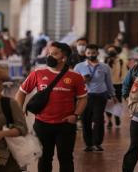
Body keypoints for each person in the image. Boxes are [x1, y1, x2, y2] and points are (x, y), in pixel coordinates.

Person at [16, 42, 87, 172]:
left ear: (64, 58)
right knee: (44, 158)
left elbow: (83, 98)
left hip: (65, 125)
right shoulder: (37, 73)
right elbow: (21, 92)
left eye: (54, 54)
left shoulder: (75, 76)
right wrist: (18, 112)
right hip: (42, 124)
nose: (49, 56)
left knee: (65, 158)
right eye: (49, 53)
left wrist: (76, 115)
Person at [74, 44, 117, 152]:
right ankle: (88, 144)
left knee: (98, 120)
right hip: (85, 97)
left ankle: (97, 143)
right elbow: (74, 83)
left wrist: (113, 95)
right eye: (89, 53)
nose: (91, 55)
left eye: (93, 53)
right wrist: (83, 80)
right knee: (86, 120)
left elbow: (109, 82)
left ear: (97, 53)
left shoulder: (104, 67)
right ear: (85, 53)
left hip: (100, 96)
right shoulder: (79, 67)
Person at [104, 45, 128, 128]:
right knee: (108, 102)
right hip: (107, 84)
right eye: (109, 51)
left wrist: (124, 84)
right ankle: (109, 120)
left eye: (113, 50)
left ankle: (117, 117)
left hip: (118, 84)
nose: (111, 52)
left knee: (118, 102)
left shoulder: (121, 61)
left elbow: (125, 73)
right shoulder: (104, 61)